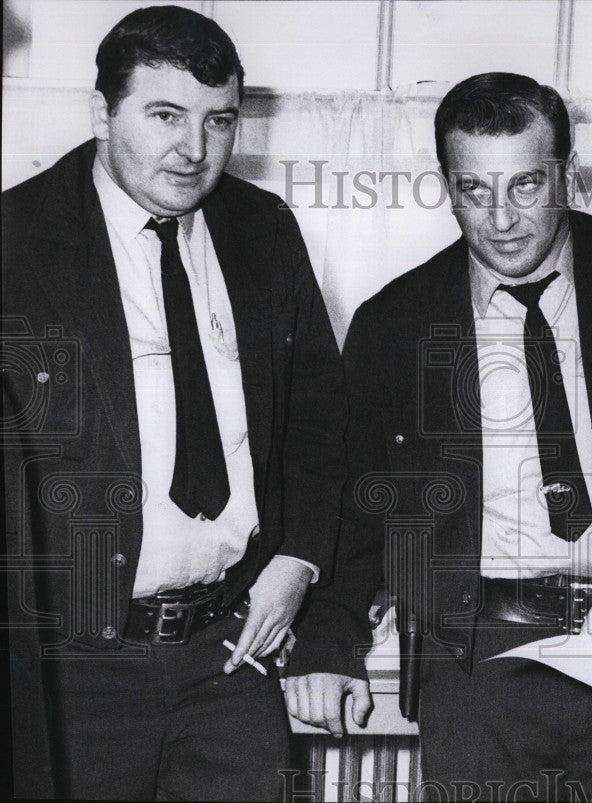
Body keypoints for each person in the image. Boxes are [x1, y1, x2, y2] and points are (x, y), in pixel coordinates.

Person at [285, 72, 592, 801]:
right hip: (478, 664)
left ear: (568, 173)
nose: (501, 219)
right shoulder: (394, 322)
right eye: (475, 190)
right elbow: (358, 505)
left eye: (526, 186)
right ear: (447, 185)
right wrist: (330, 639)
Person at [1, 6, 346, 799]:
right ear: (100, 112)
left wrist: (296, 559)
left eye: (218, 121)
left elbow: (320, 427)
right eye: (165, 115)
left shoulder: (264, 231)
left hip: (231, 657)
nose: (193, 150)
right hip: (70, 672)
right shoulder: (17, 242)